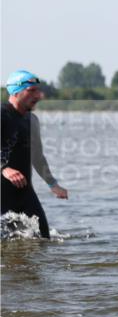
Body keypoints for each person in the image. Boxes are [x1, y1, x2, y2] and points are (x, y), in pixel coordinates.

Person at [2, 70, 68, 239]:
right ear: (16, 91)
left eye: (38, 91)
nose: (39, 95)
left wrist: (52, 184)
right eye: (32, 90)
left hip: (24, 192)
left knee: (43, 238)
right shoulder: (2, 115)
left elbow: (37, 156)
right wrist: (4, 169)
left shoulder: (32, 121)